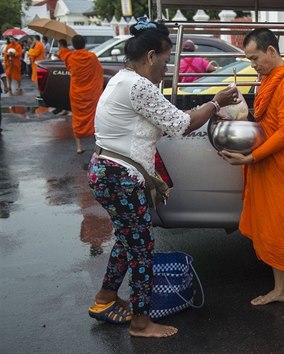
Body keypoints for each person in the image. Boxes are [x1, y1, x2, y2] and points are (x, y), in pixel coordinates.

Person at [87, 18, 239, 338]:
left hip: (108, 171)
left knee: (128, 242)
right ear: (152, 56)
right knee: (142, 249)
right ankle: (141, 324)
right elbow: (181, 124)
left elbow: (162, 118)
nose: (168, 68)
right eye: (168, 59)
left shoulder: (123, 79)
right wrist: (215, 103)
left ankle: (105, 299)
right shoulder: (139, 86)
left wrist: (204, 109)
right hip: (120, 177)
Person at [219, 28, 284, 315]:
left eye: (255, 58)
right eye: (249, 60)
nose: (253, 64)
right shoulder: (266, 80)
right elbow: (263, 122)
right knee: (268, 227)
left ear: (271, 51)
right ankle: (281, 288)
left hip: (283, 163)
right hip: (263, 161)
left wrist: (252, 157)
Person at [64, 35, 103, 154]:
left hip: (76, 92)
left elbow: (69, 69)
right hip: (91, 92)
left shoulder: (69, 57)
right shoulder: (91, 57)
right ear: (85, 44)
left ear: (73, 45)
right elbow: (98, 71)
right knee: (94, 117)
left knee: (77, 117)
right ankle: (97, 145)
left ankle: (79, 146)